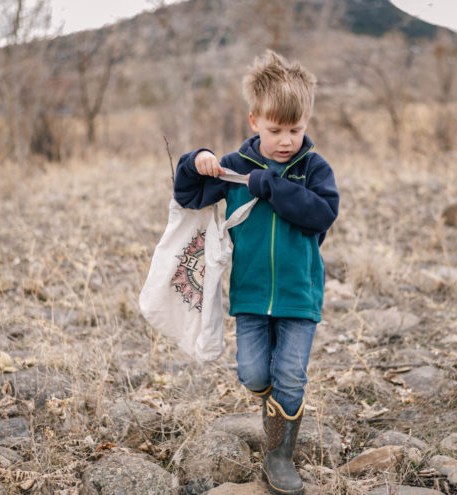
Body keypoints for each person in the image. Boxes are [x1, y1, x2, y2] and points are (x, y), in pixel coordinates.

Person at [173, 49, 339, 495]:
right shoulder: (237, 167)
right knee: (253, 374)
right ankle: (273, 411)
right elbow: (189, 196)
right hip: (249, 293)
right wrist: (196, 161)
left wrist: (273, 186)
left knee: (290, 374)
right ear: (253, 121)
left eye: (296, 129)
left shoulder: (313, 169)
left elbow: (322, 215)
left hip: (299, 295)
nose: (286, 140)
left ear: (306, 123)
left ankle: (279, 456)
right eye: (275, 130)